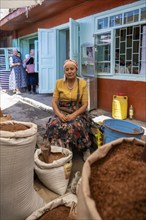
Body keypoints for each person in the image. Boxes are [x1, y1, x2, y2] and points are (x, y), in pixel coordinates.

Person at [45, 59, 92, 161]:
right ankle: (61, 149)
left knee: (75, 125)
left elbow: (85, 104)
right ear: (64, 71)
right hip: (62, 112)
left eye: (72, 69)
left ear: (76, 70)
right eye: (67, 69)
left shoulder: (82, 83)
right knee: (53, 124)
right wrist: (58, 114)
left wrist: (73, 115)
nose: (69, 71)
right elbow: (54, 102)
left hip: (78, 113)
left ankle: (85, 149)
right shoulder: (59, 83)